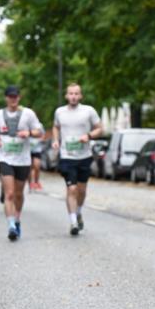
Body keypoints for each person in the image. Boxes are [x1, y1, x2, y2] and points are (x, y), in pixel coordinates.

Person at [0, 85, 43, 241]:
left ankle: (17, 219)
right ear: (6, 98)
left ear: (19, 97)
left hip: (23, 159)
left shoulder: (28, 114)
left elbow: (39, 131)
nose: (13, 99)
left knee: (19, 194)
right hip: (5, 158)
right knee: (10, 193)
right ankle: (11, 225)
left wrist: (29, 133)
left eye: (15, 96)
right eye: (10, 96)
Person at [52, 82, 103, 236]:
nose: (73, 96)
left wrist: (88, 136)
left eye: (76, 94)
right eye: (71, 94)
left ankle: (79, 212)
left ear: (80, 96)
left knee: (81, 190)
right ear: (66, 96)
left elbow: (100, 129)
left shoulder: (88, 111)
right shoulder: (60, 112)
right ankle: (73, 221)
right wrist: (55, 140)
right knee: (71, 189)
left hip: (84, 156)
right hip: (67, 156)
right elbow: (55, 126)